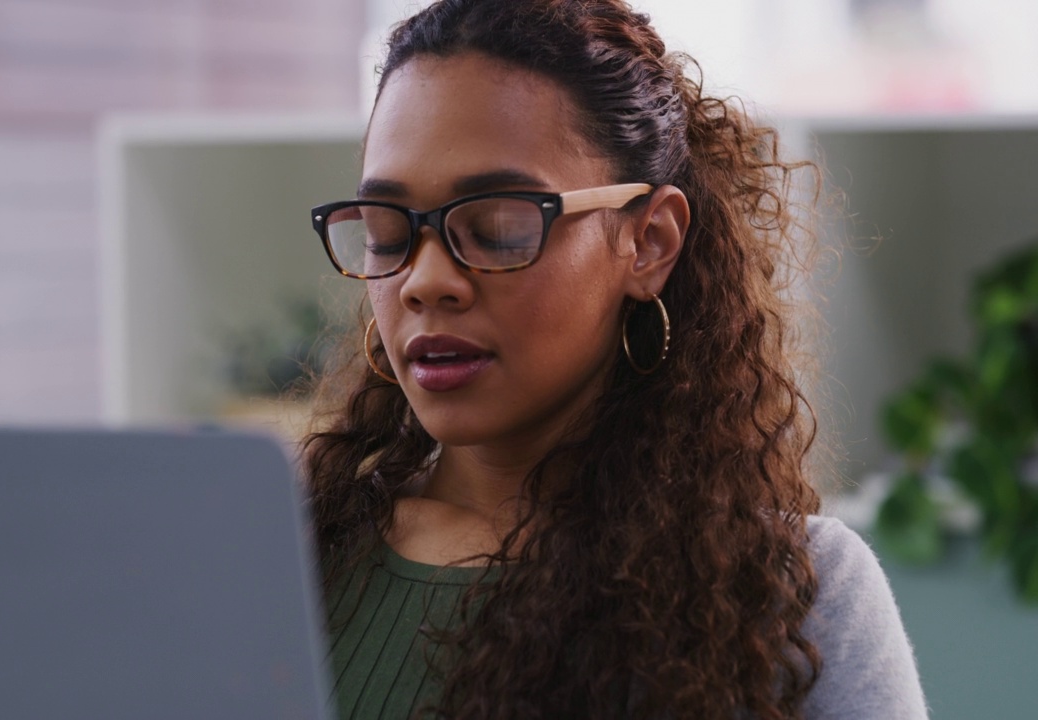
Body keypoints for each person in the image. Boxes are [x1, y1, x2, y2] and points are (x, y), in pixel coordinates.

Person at [302, 1, 927, 718]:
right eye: (388, 233)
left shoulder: (785, 592)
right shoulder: (284, 550)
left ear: (650, 242)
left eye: (499, 226)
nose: (425, 280)